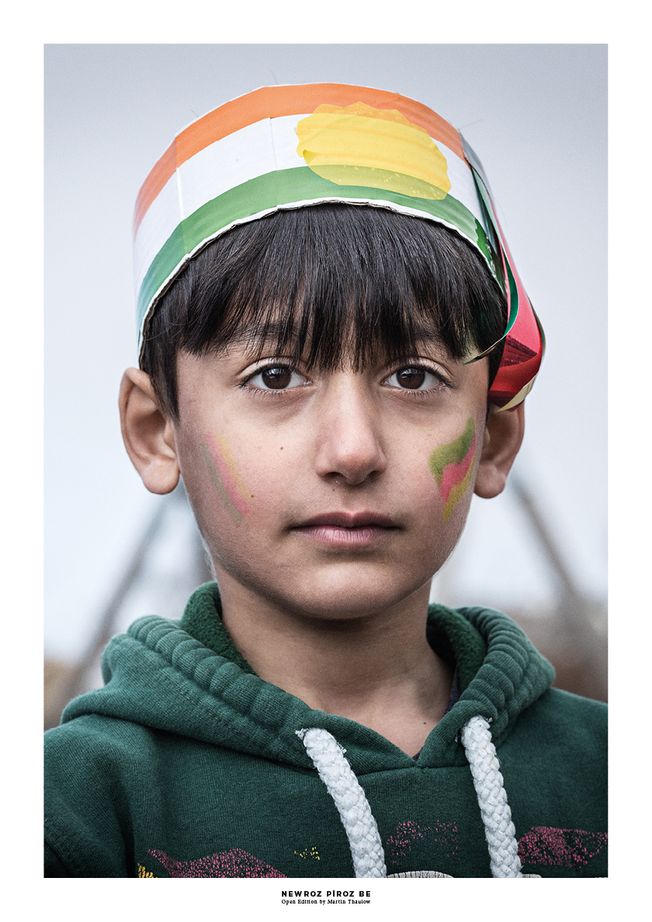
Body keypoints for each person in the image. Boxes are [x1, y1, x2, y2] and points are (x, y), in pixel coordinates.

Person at [44, 83, 606, 878]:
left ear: (494, 434)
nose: (352, 449)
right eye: (276, 376)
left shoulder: (611, 779)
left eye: (414, 377)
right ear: (156, 430)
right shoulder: (67, 815)